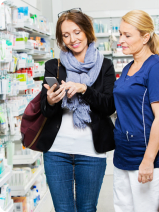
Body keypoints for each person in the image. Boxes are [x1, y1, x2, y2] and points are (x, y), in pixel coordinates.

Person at [38, 8, 116, 212]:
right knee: (63, 210)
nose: (72, 39)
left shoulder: (105, 65)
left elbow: (109, 106)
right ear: (61, 39)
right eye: (66, 35)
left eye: (77, 31)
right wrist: (51, 100)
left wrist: (84, 89)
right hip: (56, 152)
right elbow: (45, 110)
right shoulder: (53, 66)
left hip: (91, 152)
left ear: (87, 31)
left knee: (87, 209)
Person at [113, 10, 159, 212]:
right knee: (123, 208)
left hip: (147, 158)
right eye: (120, 34)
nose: (121, 40)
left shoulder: (157, 68)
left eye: (127, 35)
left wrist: (148, 161)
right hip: (123, 155)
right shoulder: (128, 67)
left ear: (145, 37)